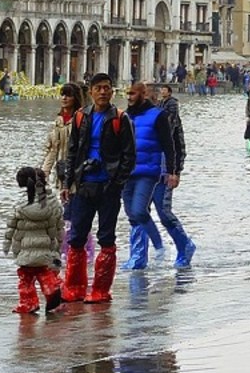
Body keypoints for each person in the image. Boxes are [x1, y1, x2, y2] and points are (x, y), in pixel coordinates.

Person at [61, 73, 136, 303]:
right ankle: (74, 287)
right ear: (91, 91)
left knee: (106, 237)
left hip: (108, 187)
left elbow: (129, 156)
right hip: (84, 185)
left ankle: (101, 290)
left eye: (107, 88)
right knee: (76, 237)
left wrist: (117, 182)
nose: (103, 92)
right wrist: (67, 182)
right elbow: (72, 151)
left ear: (112, 91)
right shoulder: (81, 117)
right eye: (98, 88)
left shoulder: (120, 119)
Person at [121, 82, 178, 270]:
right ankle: (138, 258)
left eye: (132, 93)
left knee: (140, 210)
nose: (129, 97)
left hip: (148, 172)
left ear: (143, 94)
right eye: (127, 93)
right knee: (132, 215)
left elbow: (170, 145)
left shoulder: (159, 116)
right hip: (126, 172)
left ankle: (159, 245)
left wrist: (172, 171)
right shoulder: (124, 116)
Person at [41, 83, 91, 266]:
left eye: (68, 95)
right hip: (63, 175)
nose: (64, 98)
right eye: (62, 94)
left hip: (80, 175)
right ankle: (71, 251)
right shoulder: (58, 121)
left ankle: (80, 251)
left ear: (75, 98)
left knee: (73, 213)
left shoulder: (82, 119)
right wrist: (43, 173)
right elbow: (52, 150)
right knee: (68, 212)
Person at [3, 167, 63, 314]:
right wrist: (56, 245)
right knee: (44, 272)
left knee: (26, 277)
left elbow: (11, 227)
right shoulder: (51, 204)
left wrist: (7, 245)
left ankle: (28, 303)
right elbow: (56, 227)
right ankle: (52, 289)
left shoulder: (20, 205)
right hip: (45, 247)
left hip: (25, 247)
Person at [156, 84, 195, 268]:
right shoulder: (146, 118)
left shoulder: (172, 121)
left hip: (166, 170)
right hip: (147, 171)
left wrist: (176, 171)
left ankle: (184, 245)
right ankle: (145, 252)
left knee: (164, 211)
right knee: (138, 212)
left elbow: (179, 147)